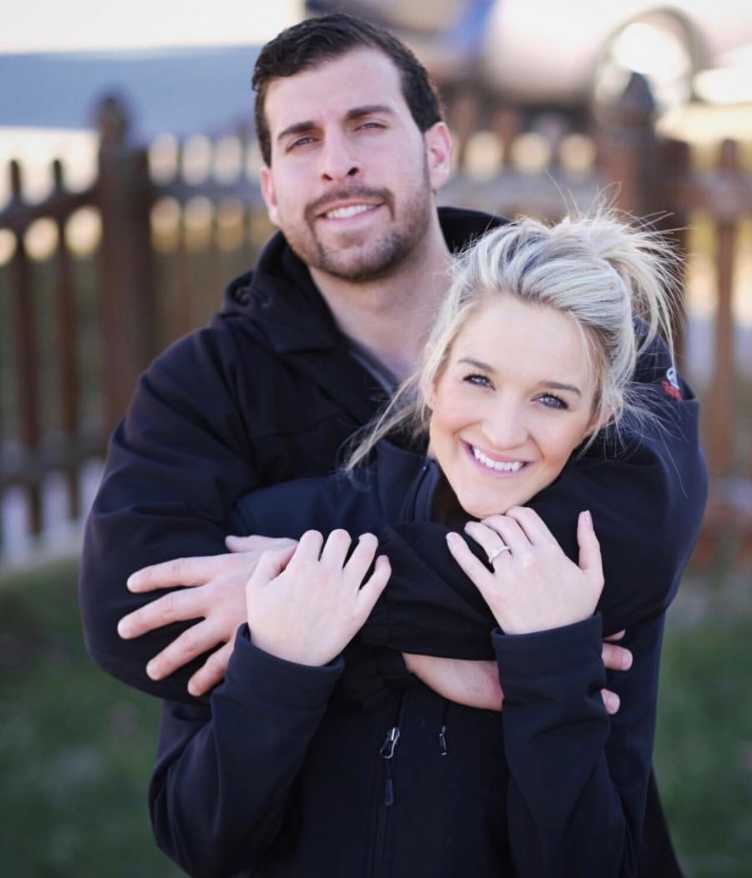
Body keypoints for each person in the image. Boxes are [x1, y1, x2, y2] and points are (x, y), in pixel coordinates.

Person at [76, 13, 703, 876]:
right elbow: (135, 614)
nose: (337, 162)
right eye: (302, 140)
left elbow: (627, 543)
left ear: (436, 150)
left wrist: (291, 597)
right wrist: (416, 647)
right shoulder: (202, 387)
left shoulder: (575, 324)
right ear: (270, 186)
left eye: (368, 125)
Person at [149, 212, 706, 877]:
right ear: (433, 373)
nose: (503, 431)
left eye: (551, 401)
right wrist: (287, 663)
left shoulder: (583, 584)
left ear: (598, 418)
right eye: (479, 379)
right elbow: (199, 838)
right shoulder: (284, 528)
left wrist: (550, 665)